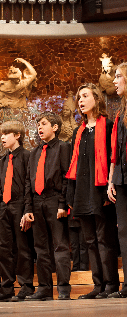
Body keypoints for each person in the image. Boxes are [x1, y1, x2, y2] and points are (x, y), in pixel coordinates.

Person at [66, 83, 119, 299]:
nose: (80, 100)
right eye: (79, 97)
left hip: (100, 189)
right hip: (82, 191)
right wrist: (71, 193)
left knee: (104, 239)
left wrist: (109, 184)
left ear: (96, 99)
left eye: (85, 96)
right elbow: (74, 164)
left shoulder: (105, 125)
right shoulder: (78, 132)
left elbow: (112, 158)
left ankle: (111, 284)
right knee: (89, 240)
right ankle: (98, 285)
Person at [24, 112, 71, 301]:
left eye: (43, 124)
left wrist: (62, 203)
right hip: (37, 202)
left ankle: (63, 288)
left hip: (54, 199)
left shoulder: (63, 147)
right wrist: (28, 208)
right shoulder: (35, 152)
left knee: (60, 246)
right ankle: (44, 288)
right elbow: (29, 181)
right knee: (40, 247)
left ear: (55, 127)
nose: (40, 128)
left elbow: (67, 176)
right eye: (38, 125)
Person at [0, 121, 35, 302]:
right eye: (1, 134)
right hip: (5, 208)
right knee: (3, 249)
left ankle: (26, 286)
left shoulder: (27, 156)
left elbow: (28, 185)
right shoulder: (2, 161)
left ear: (17, 135)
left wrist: (27, 209)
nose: (2, 137)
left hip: (19, 205)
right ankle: (7, 287)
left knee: (23, 248)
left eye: (6, 133)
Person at [108, 63, 127, 298]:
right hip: (122, 179)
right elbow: (116, 149)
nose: (115, 81)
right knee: (124, 231)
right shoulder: (120, 112)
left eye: (119, 76)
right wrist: (112, 179)